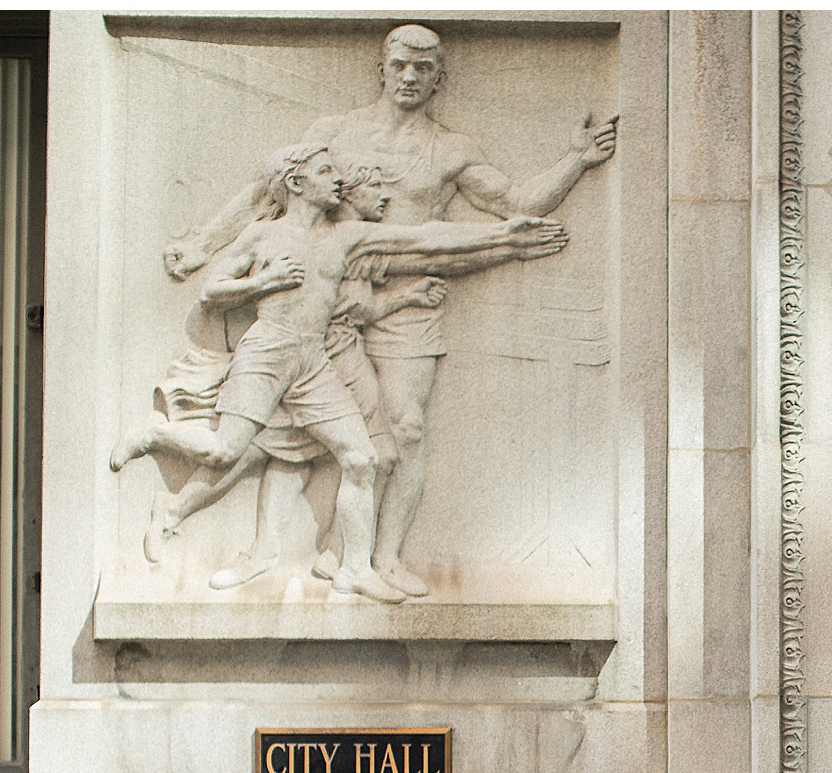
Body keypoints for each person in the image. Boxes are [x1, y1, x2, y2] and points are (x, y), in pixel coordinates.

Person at [168, 23, 620, 599]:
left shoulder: (450, 149)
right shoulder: (334, 135)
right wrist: (203, 246)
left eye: (424, 68)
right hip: (332, 299)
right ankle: (287, 547)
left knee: (403, 430)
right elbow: (266, 191)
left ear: (440, 79)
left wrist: (576, 161)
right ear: (381, 68)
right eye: (400, 64)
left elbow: (514, 202)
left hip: (411, 300)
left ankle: (381, 557)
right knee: (297, 437)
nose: (410, 76)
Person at [111, 142, 564, 603]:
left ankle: (354, 569)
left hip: (312, 361)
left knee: (361, 458)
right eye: (327, 172)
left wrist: (505, 236)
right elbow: (211, 290)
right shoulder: (263, 237)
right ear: (296, 183)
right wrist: (261, 283)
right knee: (225, 453)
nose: (338, 181)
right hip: (267, 350)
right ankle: (155, 435)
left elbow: (424, 238)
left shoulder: (344, 236)